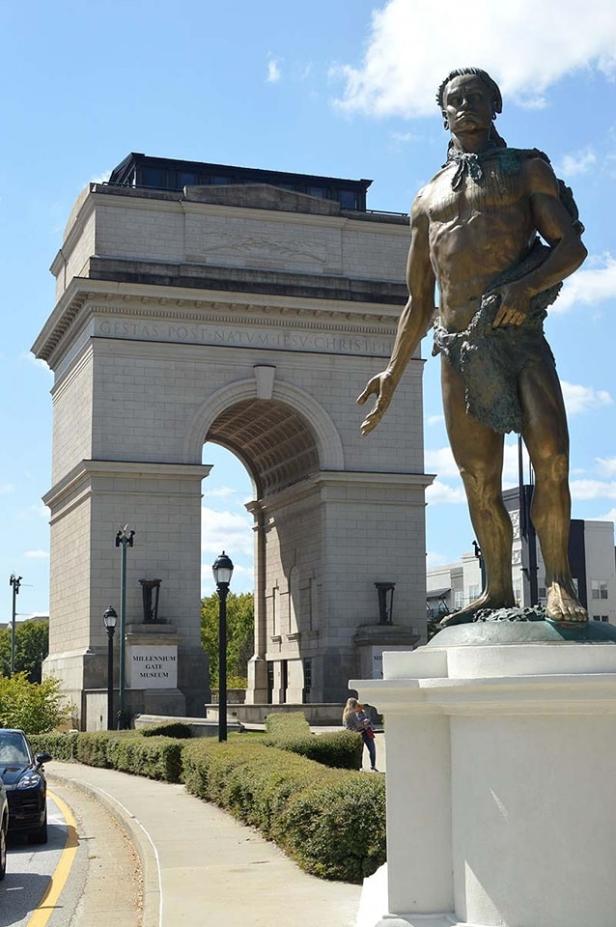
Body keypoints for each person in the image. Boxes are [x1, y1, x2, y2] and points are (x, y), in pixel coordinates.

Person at [357, 66, 588, 627]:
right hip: (458, 349)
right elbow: (418, 300)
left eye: (476, 97)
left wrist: (524, 286)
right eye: (456, 100)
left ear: (495, 105)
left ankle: (559, 581)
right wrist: (392, 372)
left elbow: (571, 247)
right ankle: (497, 589)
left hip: (518, 337)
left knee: (551, 458)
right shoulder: (425, 198)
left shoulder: (526, 169)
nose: (466, 107)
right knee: (479, 477)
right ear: (443, 112)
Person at [343, 697, 378, 771]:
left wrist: (369, 725)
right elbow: (358, 725)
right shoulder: (351, 713)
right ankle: (360, 767)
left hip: (365, 733)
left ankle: (372, 766)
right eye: (358, 705)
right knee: (360, 751)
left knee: (372, 750)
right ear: (355, 705)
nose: (360, 707)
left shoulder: (349, 712)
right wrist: (365, 724)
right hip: (359, 733)